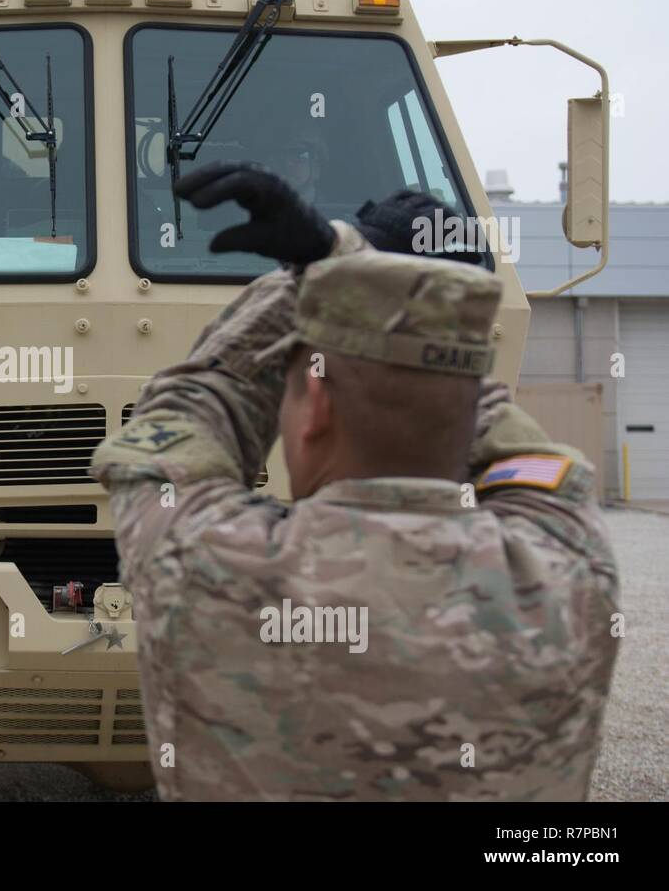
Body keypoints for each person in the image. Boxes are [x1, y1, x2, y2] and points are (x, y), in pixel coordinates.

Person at [91, 162, 621, 800]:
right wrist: (385, 297)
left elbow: (195, 403)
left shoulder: (202, 565)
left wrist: (329, 265)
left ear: (314, 405)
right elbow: (493, 430)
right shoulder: (570, 570)